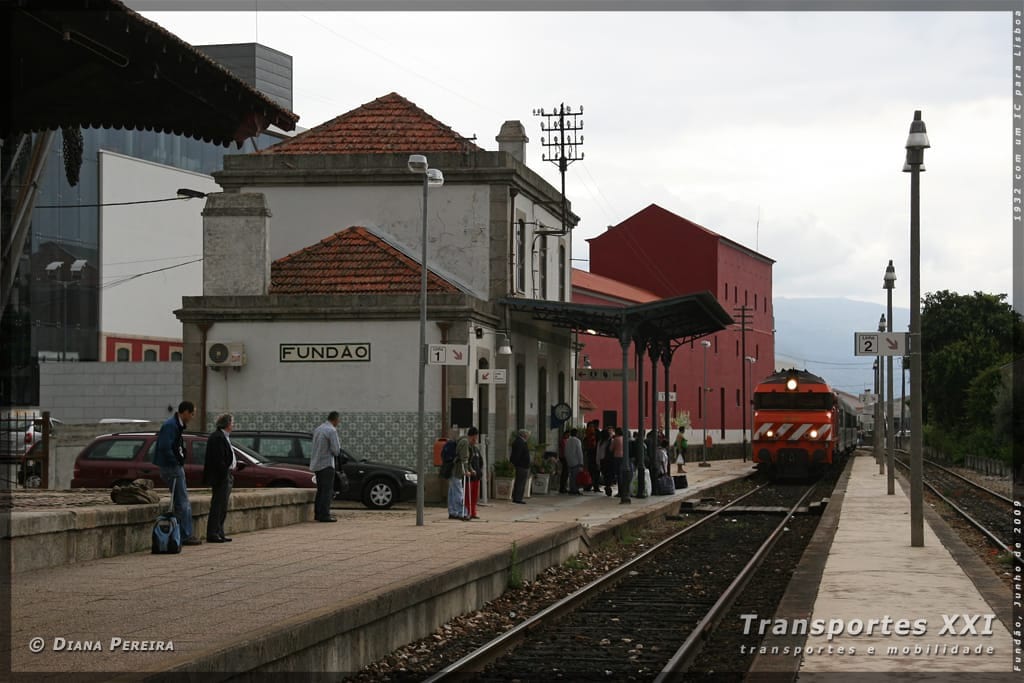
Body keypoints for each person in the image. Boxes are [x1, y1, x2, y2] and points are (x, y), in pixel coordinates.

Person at [154, 401, 201, 545]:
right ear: (185, 412)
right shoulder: (171, 425)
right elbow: (165, 446)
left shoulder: (176, 425)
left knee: (180, 501)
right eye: (192, 413)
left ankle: (180, 534)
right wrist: (175, 462)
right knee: (183, 501)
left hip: (172, 465)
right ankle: (185, 535)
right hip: (171, 467)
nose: (192, 416)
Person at [203, 413, 236, 543]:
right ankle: (213, 533)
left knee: (223, 506)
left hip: (226, 474)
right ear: (227, 424)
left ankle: (219, 531)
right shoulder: (217, 437)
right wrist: (224, 473)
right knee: (217, 505)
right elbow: (219, 459)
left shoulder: (223, 436)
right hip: (221, 476)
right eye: (232, 423)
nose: (233, 425)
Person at [310, 411, 341, 523]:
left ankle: (318, 513)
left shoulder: (318, 429)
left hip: (317, 464)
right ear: (335, 419)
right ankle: (325, 514)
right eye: (338, 420)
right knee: (327, 490)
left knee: (320, 490)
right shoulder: (331, 431)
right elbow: (336, 450)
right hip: (327, 464)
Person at [448, 427, 474, 520]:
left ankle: (452, 511)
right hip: (457, 470)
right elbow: (464, 458)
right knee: (458, 491)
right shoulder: (465, 442)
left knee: (452, 492)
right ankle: (461, 512)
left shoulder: (460, 440)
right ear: (474, 436)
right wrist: (466, 471)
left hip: (452, 469)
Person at [461, 427, 482, 520]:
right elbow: (466, 461)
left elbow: (480, 461)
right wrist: (468, 470)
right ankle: (467, 511)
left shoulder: (476, 449)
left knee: (474, 496)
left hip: (476, 476)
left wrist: (479, 472)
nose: (475, 440)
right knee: (468, 496)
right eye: (474, 438)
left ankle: (473, 512)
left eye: (476, 438)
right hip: (469, 476)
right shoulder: (467, 448)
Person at [509, 428, 531, 504]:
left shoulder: (521, 442)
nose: (528, 437)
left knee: (521, 482)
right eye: (527, 435)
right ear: (524, 435)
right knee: (520, 482)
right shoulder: (520, 442)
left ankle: (518, 497)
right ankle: (517, 498)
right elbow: (517, 454)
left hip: (523, 465)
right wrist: (515, 463)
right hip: (521, 465)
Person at [564, 428, 584, 494]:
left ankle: (571, 489)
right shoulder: (577, 441)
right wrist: (581, 462)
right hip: (576, 461)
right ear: (576, 433)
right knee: (575, 477)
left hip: (569, 461)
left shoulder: (567, 440)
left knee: (570, 476)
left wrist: (567, 459)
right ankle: (575, 490)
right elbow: (579, 452)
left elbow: (566, 451)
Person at [583, 420, 601, 492]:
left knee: (590, 471)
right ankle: (596, 487)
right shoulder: (597, 433)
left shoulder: (587, 433)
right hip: (596, 454)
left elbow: (584, 442)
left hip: (589, 453)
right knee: (596, 471)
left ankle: (588, 486)